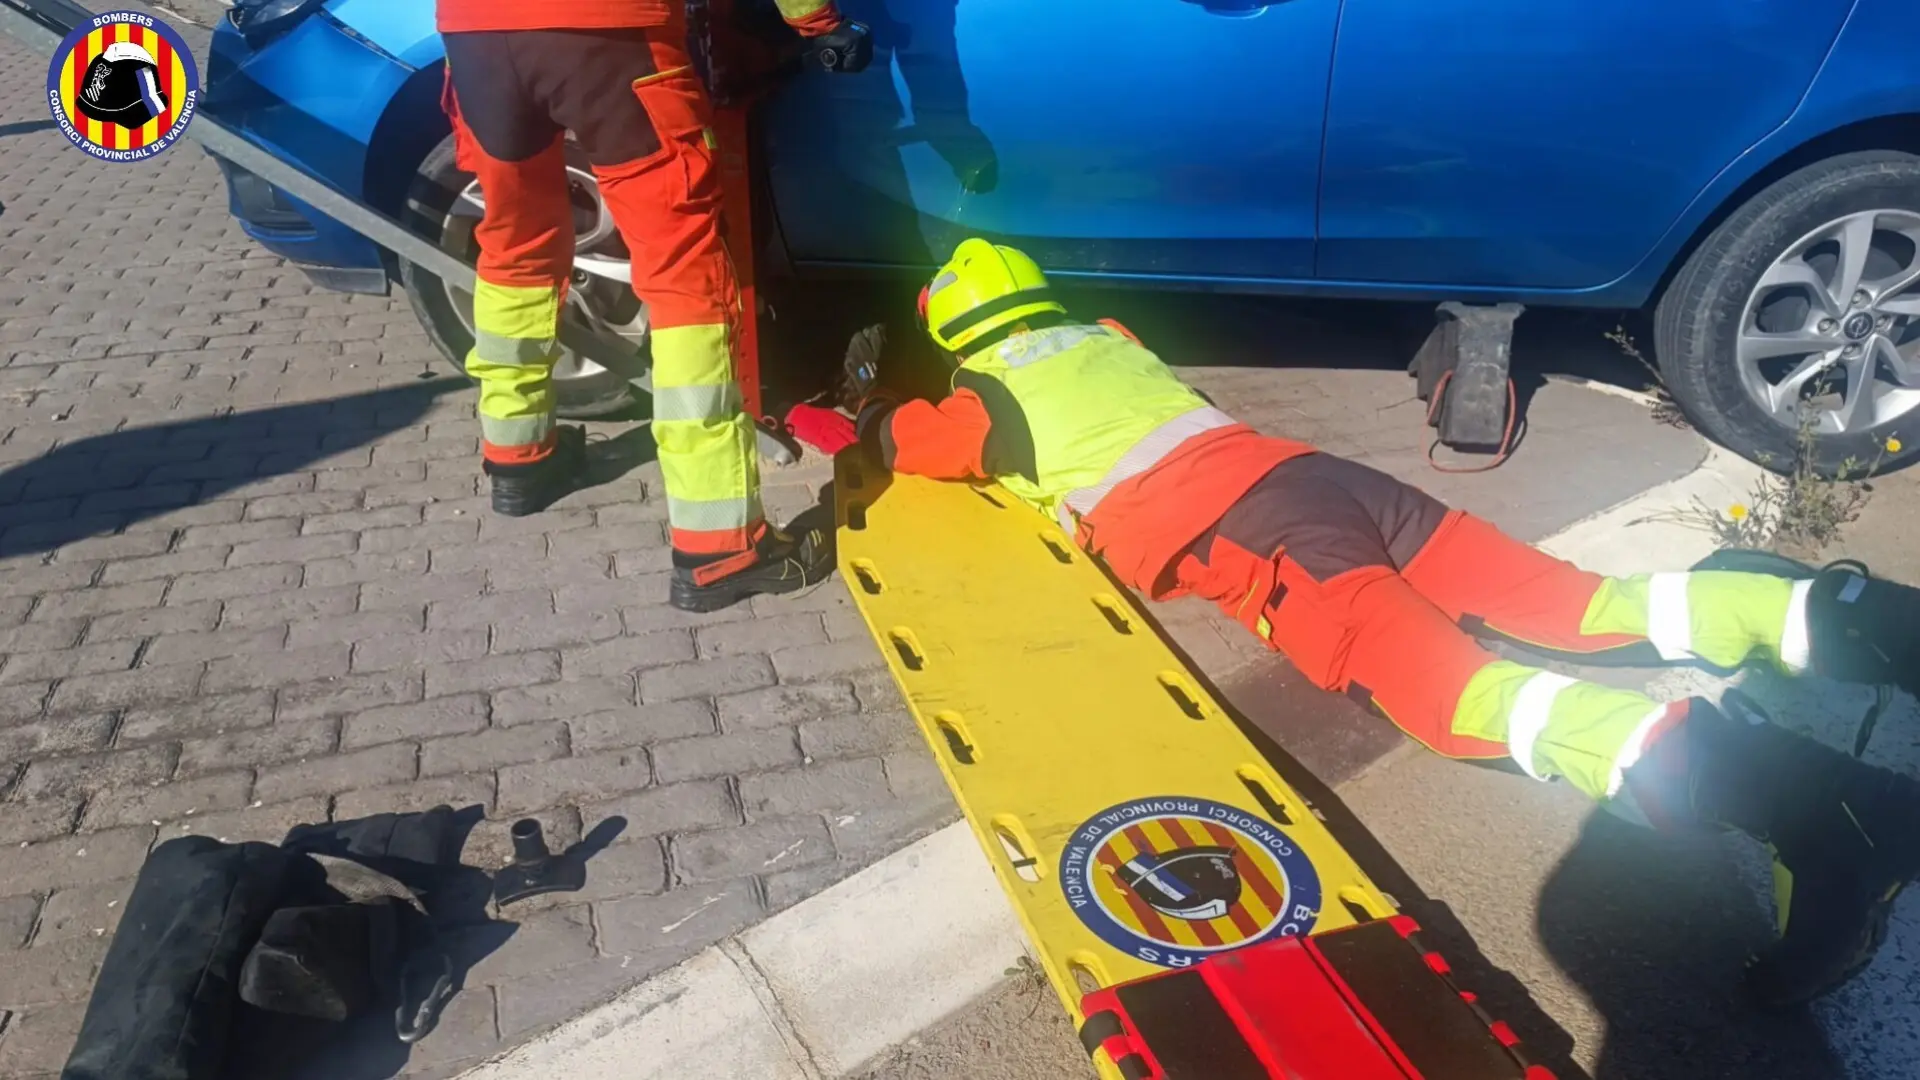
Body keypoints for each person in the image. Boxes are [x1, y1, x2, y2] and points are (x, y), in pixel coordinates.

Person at [848, 237, 1920, 1009]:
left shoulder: (988, 400)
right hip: (1326, 479)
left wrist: (845, 414)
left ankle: (1828, 823)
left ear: (958, 337)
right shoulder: (1106, 337)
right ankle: (1862, 623)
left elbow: (911, 442)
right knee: (1574, 606)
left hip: (1270, 542)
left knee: (1463, 702)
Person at [435, 0, 868, 611]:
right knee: (684, 276)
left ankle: (519, 459)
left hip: (475, 34)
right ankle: (721, 547)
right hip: (610, 34)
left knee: (514, 245)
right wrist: (818, 22)